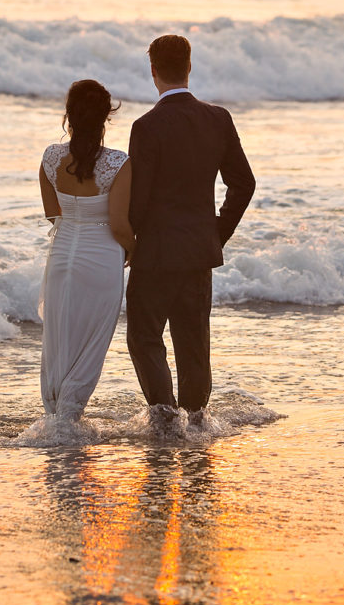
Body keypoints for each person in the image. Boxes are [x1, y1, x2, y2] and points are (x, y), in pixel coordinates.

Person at [127, 34, 255, 427]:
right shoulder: (217, 118)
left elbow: (138, 200)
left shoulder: (147, 126)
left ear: (153, 72)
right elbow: (243, 183)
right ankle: (197, 420)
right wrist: (216, 232)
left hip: (156, 254)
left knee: (145, 337)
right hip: (199, 251)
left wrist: (129, 240)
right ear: (189, 67)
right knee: (193, 343)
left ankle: (165, 418)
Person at [39, 79, 134, 421]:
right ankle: (70, 417)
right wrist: (133, 251)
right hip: (102, 260)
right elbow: (120, 224)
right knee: (91, 344)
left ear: (70, 115)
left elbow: (54, 215)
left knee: (59, 339)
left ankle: (54, 416)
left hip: (62, 257)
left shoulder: (50, 158)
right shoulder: (118, 164)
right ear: (105, 118)